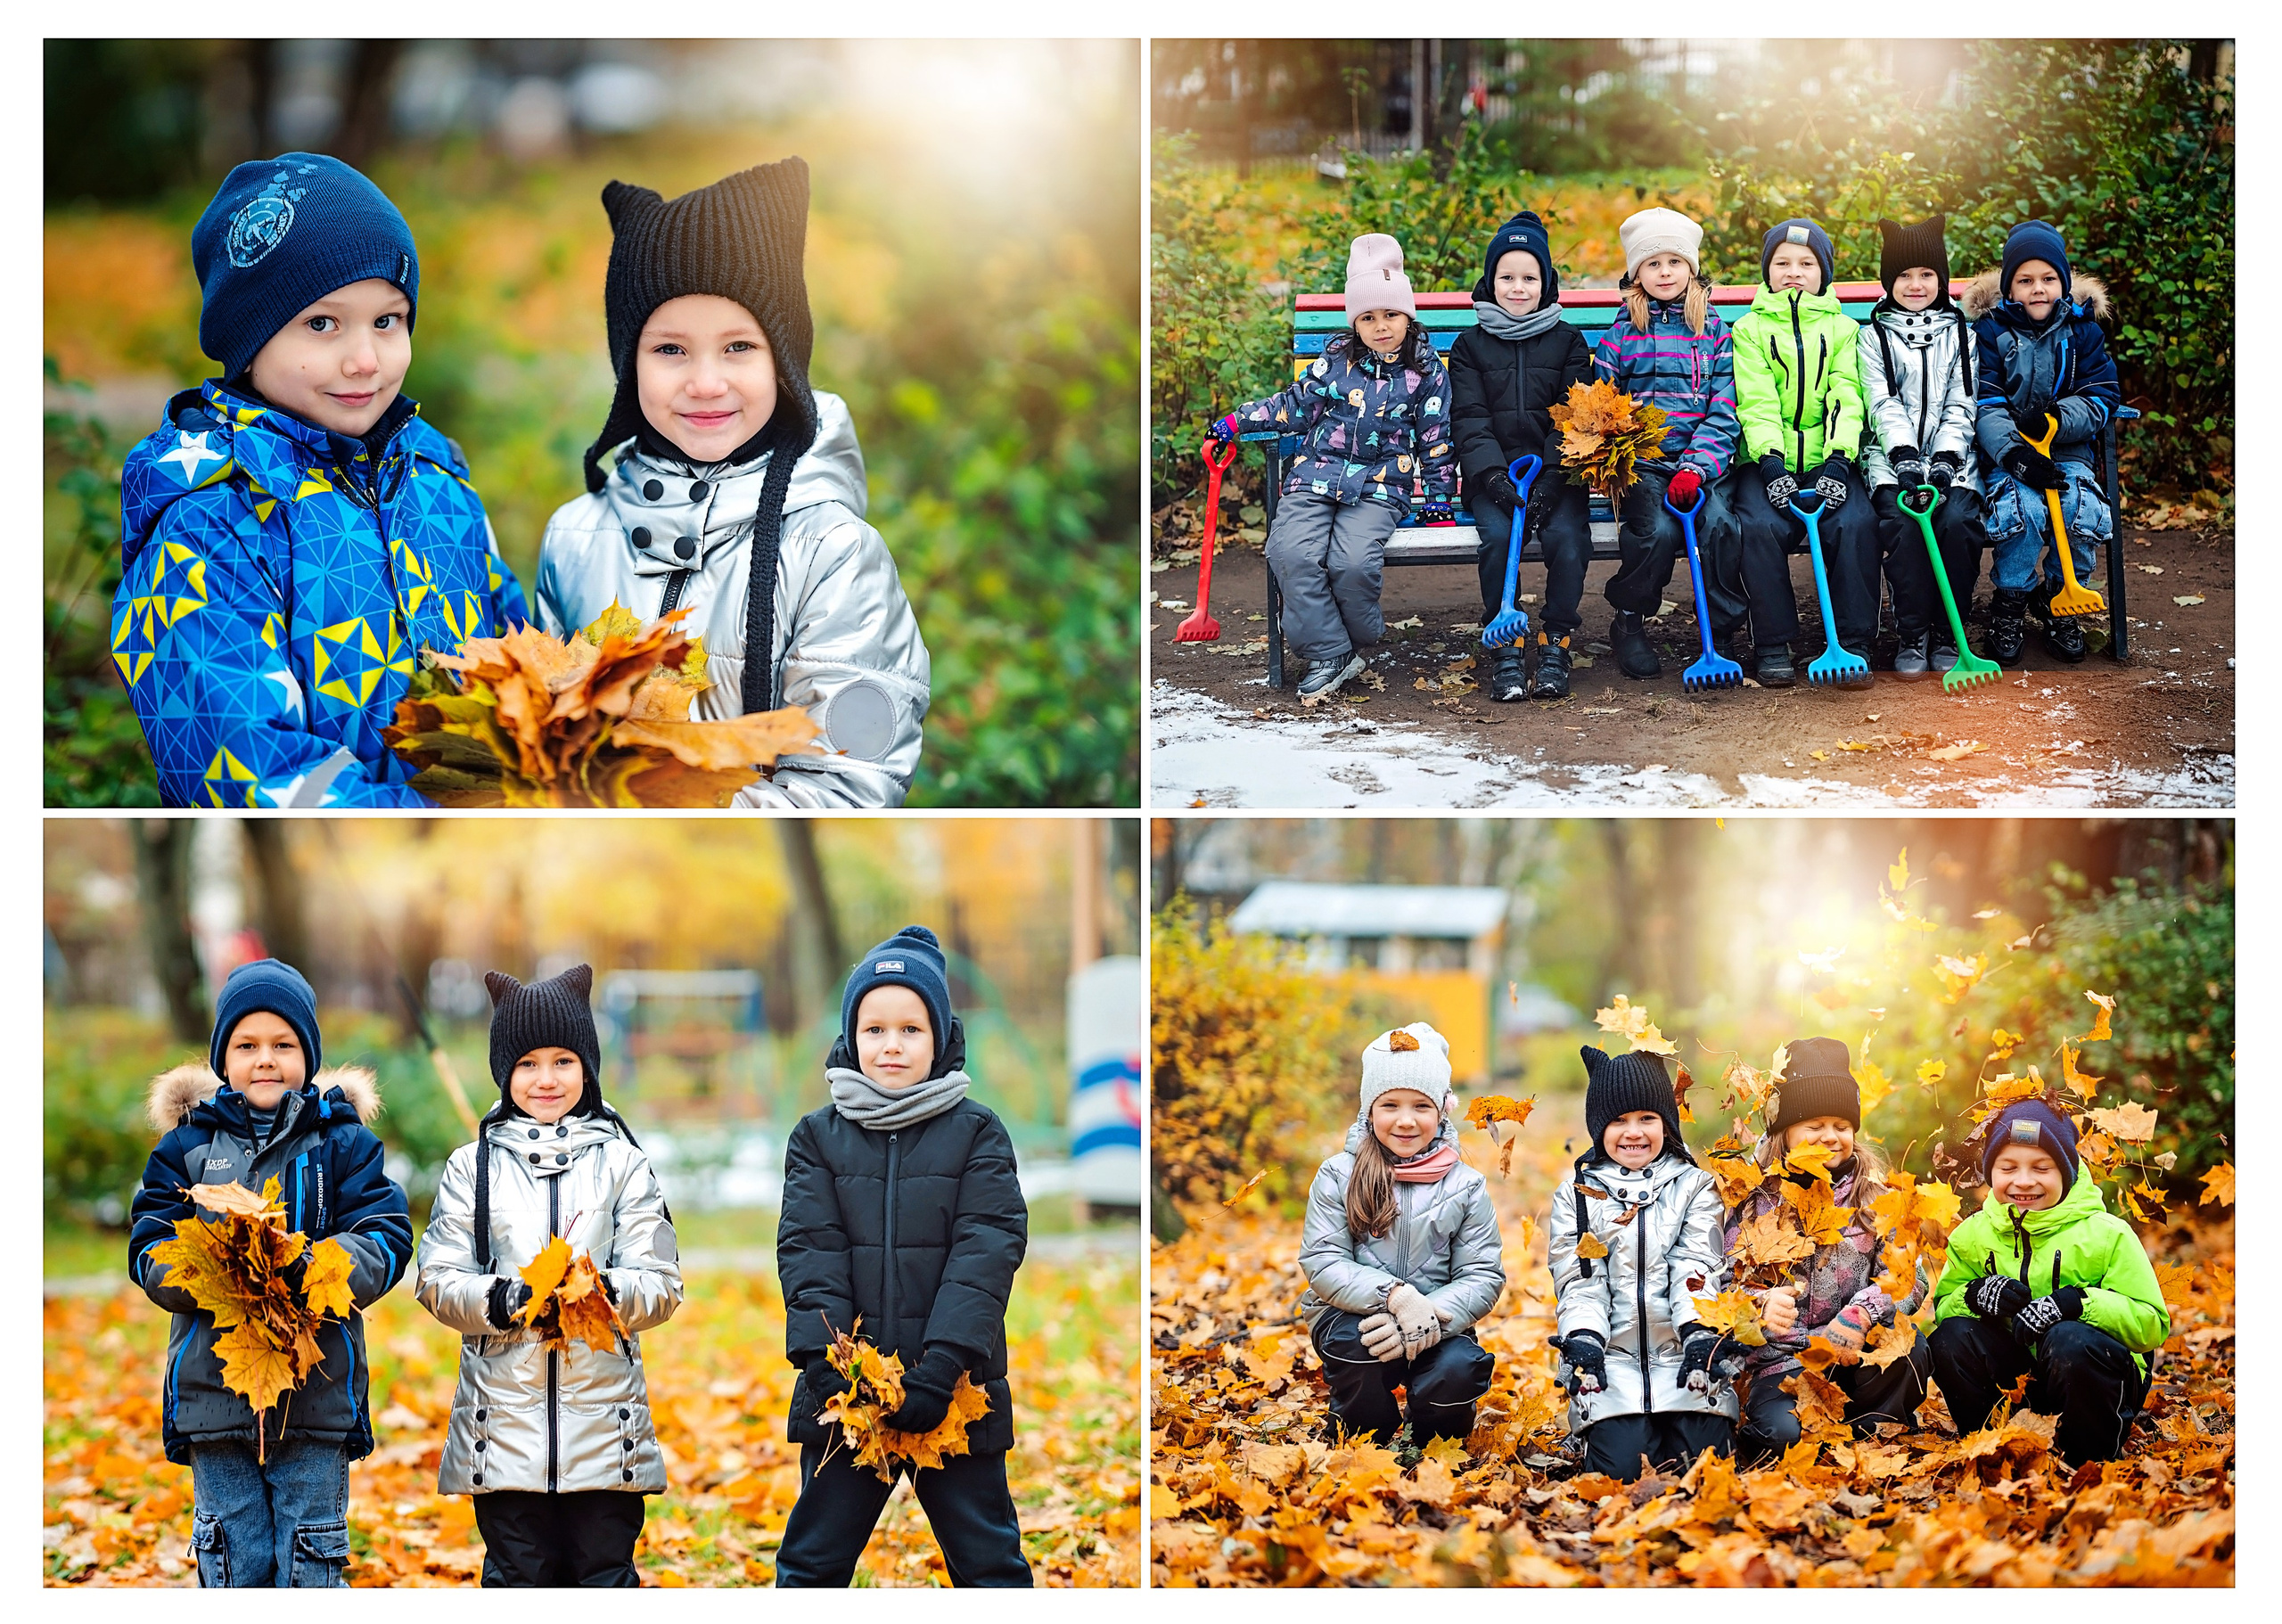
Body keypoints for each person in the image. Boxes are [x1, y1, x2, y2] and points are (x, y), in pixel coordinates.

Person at [113, 154, 529, 807]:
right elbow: (247, 771)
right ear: (249, 339)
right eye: (322, 324)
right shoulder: (212, 521)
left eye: (387, 321)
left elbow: (516, 657)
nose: (365, 360)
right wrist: (444, 823)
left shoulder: (436, 481)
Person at [535, 159, 930, 806]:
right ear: (627, 361)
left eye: (738, 347)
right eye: (670, 350)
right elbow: (547, 740)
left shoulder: (829, 552)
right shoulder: (574, 538)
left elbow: (849, 782)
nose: (707, 381)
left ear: (783, 357)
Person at [127, 960, 411, 1587]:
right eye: (247, 1046)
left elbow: (386, 1236)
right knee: (232, 1556)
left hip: (316, 1393)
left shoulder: (343, 1144)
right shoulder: (186, 1148)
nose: (265, 1060)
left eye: (283, 1046)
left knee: (310, 1557)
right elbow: (149, 1246)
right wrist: (213, 1270)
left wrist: (311, 1267)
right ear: (223, 1059)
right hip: (215, 1401)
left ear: (307, 1057)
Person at [775, 927, 1032, 1587]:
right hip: (848, 1392)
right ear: (851, 1037)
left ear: (941, 1037)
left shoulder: (977, 1132)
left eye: (912, 1029)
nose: (892, 1045)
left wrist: (942, 1366)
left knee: (989, 1563)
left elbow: (987, 1252)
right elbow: (809, 1253)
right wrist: (828, 1367)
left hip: (954, 1388)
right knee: (812, 1562)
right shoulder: (816, 1138)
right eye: (876, 1029)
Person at [415, 965, 683, 1587]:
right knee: (518, 1576)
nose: (546, 1078)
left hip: (603, 1424)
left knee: (604, 1573)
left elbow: (662, 1279)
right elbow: (437, 1278)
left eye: (563, 1060)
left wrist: (608, 1292)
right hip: (502, 1425)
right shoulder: (472, 1167)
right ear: (504, 1072)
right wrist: (501, 1300)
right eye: (528, 1063)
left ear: (587, 1066)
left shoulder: (623, 1163)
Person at [1210, 233, 1456, 704]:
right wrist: (1236, 420)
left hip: (1381, 485)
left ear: (1408, 315)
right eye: (1368, 317)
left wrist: (1441, 497)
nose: (1381, 326)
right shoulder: (1334, 363)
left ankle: (1359, 635)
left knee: (1352, 563)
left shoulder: (1426, 373)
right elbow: (1294, 407)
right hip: (1315, 476)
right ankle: (1331, 652)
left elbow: (1435, 438)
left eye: (1390, 314)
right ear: (1355, 323)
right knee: (1291, 553)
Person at [1720, 1038, 1931, 1461]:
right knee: (1784, 1438)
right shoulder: (1753, 1196)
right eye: (1814, 1126)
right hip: (1783, 1362)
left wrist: (1862, 1312)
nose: (1830, 1137)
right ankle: (1783, 1432)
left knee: (1913, 1349)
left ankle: (1870, 1432)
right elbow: (1724, 1282)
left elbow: (1910, 1278)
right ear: (1785, 1131)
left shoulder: (1876, 1196)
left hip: (1854, 1348)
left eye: (1841, 1125)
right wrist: (1760, 1304)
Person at [1297, 1024, 1505, 1448]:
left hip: (1438, 1321)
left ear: (1442, 1111)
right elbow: (1323, 1260)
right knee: (1355, 1348)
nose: (1406, 1120)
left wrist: (1424, 1316)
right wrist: (1395, 1297)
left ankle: (1429, 1441)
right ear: (1369, 1111)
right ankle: (1364, 1435)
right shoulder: (1339, 1175)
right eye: (1390, 1104)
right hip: (1354, 1316)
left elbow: (1482, 1274)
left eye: (1421, 1106)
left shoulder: (1465, 1186)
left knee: (1458, 1370)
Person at [1929, 1101, 2169, 1463]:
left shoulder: (2106, 1235)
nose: (2024, 1181)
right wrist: (1975, 1296)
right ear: (1990, 1172)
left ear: (2067, 1172)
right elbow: (1945, 1307)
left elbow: (2151, 1324)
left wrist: (2080, 1304)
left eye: (2042, 1168)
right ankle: (1991, 1451)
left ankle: (2086, 1458)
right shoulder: (1972, 1236)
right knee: (1949, 1337)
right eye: (2008, 1168)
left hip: (2092, 1377)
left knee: (2068, 1338)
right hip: (2017, 1381)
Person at [1548, 1046, 1736, 1480]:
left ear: (1666, 1124)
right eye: (1619, 1120)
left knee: (1702, 1468)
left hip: (1685, 1355)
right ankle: (1606, 1428)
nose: (1633, 1132)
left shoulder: (1695, 1187)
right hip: (1610, 1361)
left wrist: (1698, 1334)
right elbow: (1579, 1280)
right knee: (1622, 1472)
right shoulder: (1577, 1196)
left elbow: (1697, 1264)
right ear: (1599, 1128)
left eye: (1647, 1118)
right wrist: (1585, 1340)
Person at [1590, 207, 1744, 680]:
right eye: (1652, 264)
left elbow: (1725, 408)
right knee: (1655, 532)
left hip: (1704, 465)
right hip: (1645, 464)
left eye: (1674, 262)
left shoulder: (1715, 332)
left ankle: (1719, 631)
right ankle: (1630, 621)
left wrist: (1697, 466)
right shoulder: (1620, 335)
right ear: (1637, 272)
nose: (1664, 272)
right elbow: (1602, 409)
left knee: (1719, 525)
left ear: (1691, 268)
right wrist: (1623, 440)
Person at [1724, 217, 1876, 688]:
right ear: (1767, 272)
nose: (1794, 271)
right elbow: (1756, 399)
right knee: (1758, 526)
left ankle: (1852, 641)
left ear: (1824, 273)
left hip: (1829, 458)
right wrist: (1769, 462)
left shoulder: (1844, 329)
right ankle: (1773, 641)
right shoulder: (1748, 330)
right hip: (1767, 460)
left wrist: (1838, 462)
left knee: (1856, 522)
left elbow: (1847, 397)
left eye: (1806, 264)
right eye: (1782, 263)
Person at [1448, 211, 1594, 700]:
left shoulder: (1568, 341)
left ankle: (1556, 637)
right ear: (1490, 282)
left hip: (1555, 471)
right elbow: (1469, 417)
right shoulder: (1470, 346)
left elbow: (1576, 414)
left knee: (1569, 538)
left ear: (1545, 284)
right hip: (1496, 473)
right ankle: (1504, 641)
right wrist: (1490, 476)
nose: (1517, 287)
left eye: (1528, 278)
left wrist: (1554, 478)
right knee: (1496, 536)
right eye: (1506, 277)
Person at [1964, 221, 2122, 666]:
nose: (2038, 289)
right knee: (2026, 511)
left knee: (2078, 507)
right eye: (2026, 280)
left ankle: (2059, 595)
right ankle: (2011, 600)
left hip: (2067, 450)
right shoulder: (1992, 333)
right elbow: (1986, 405)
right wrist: (2014, 453)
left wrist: (2056, 418)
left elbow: (2102, 397)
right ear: (2010, 288)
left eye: (2049, 279)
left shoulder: (2083, 332)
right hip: (2010, 456)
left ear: (2064, 283)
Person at [1860, 216, 1986, 677]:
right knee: (1905, 525)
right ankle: (1912, 631)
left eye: (1927, 275)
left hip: (1954, 461)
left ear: (1942, 278)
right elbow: (1881, 401)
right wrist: (1904, 458)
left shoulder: (1961, 334)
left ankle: (1949, 629)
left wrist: (1948, 459)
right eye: (1904, 275)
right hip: (1893, 462)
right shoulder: (1872, 336)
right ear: (1889, 280)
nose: (1916, 284)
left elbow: (1963, 400)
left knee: (1957, 521)